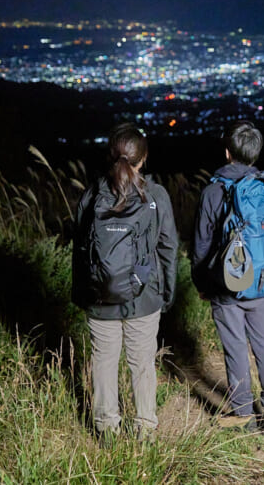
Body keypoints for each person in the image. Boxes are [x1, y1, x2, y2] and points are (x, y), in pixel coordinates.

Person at [74, 123, 178, 439]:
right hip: (144, 297)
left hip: (99, 297)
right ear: (143, 159)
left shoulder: (93, 194)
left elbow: (80, 247)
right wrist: (166, 292)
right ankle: (145, 429)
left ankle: (106, 430)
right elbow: (168, 247)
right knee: (142, 364)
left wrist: (82, 292)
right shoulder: (156, 195)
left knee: (104, 362)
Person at [192, 120, 264, 436]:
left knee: (234, 348)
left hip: (226, 287)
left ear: (227, 151)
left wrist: (202, 284)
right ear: (255, 153)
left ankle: (244, 414)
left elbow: (202, 245)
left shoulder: (212, 191)